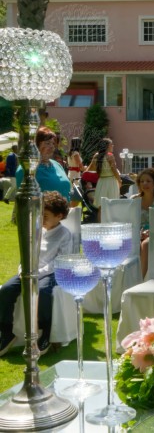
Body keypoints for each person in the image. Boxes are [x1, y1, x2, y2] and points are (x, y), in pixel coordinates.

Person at [0, 191, 72, 357]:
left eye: (45, 216)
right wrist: (23, 269)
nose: (41, 218)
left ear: (59, 216)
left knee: (43, 291)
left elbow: (59, 262)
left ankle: (45, 332)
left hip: (52, 273)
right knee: (6, 289)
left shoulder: (65, 234)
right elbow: (27, 251)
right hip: (29, 271)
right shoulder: (37, 229)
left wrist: (36, 274)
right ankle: (6, 331)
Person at [131, 168, 154, 278]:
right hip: (138, 233)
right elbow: (131, 222)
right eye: (142, 181)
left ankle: (141, 279)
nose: (144, 184)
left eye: (148, 181)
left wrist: (151, 232)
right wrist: (139, 234)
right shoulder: (134, 199)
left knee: (145, 244)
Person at [16, 127, 71, 202]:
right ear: (36, 145)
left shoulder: (57, 165)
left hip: (64, 209)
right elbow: (24, 200)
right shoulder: (27, 168)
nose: (52, 147)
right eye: (47, 143)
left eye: (53, 143)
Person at [87, 138, 121, 214]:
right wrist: (119, 180)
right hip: (111, 182)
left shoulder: (96, 156)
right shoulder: (110, 156)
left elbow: (90, 168)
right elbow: (114, 170)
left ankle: (101, 221)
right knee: (112, 204)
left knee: (101, 206)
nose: (113, 146)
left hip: (101, 181)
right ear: (107, 146)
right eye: (111, 144)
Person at [67, 137, 84, 207]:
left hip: (71, 173)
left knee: (73, 192)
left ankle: (70, 207)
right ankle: (71, 208)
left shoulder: (70, 153)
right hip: (75, 174)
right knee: (76, 193)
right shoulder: (76, 153)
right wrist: (86, 168)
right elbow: (80, 166)